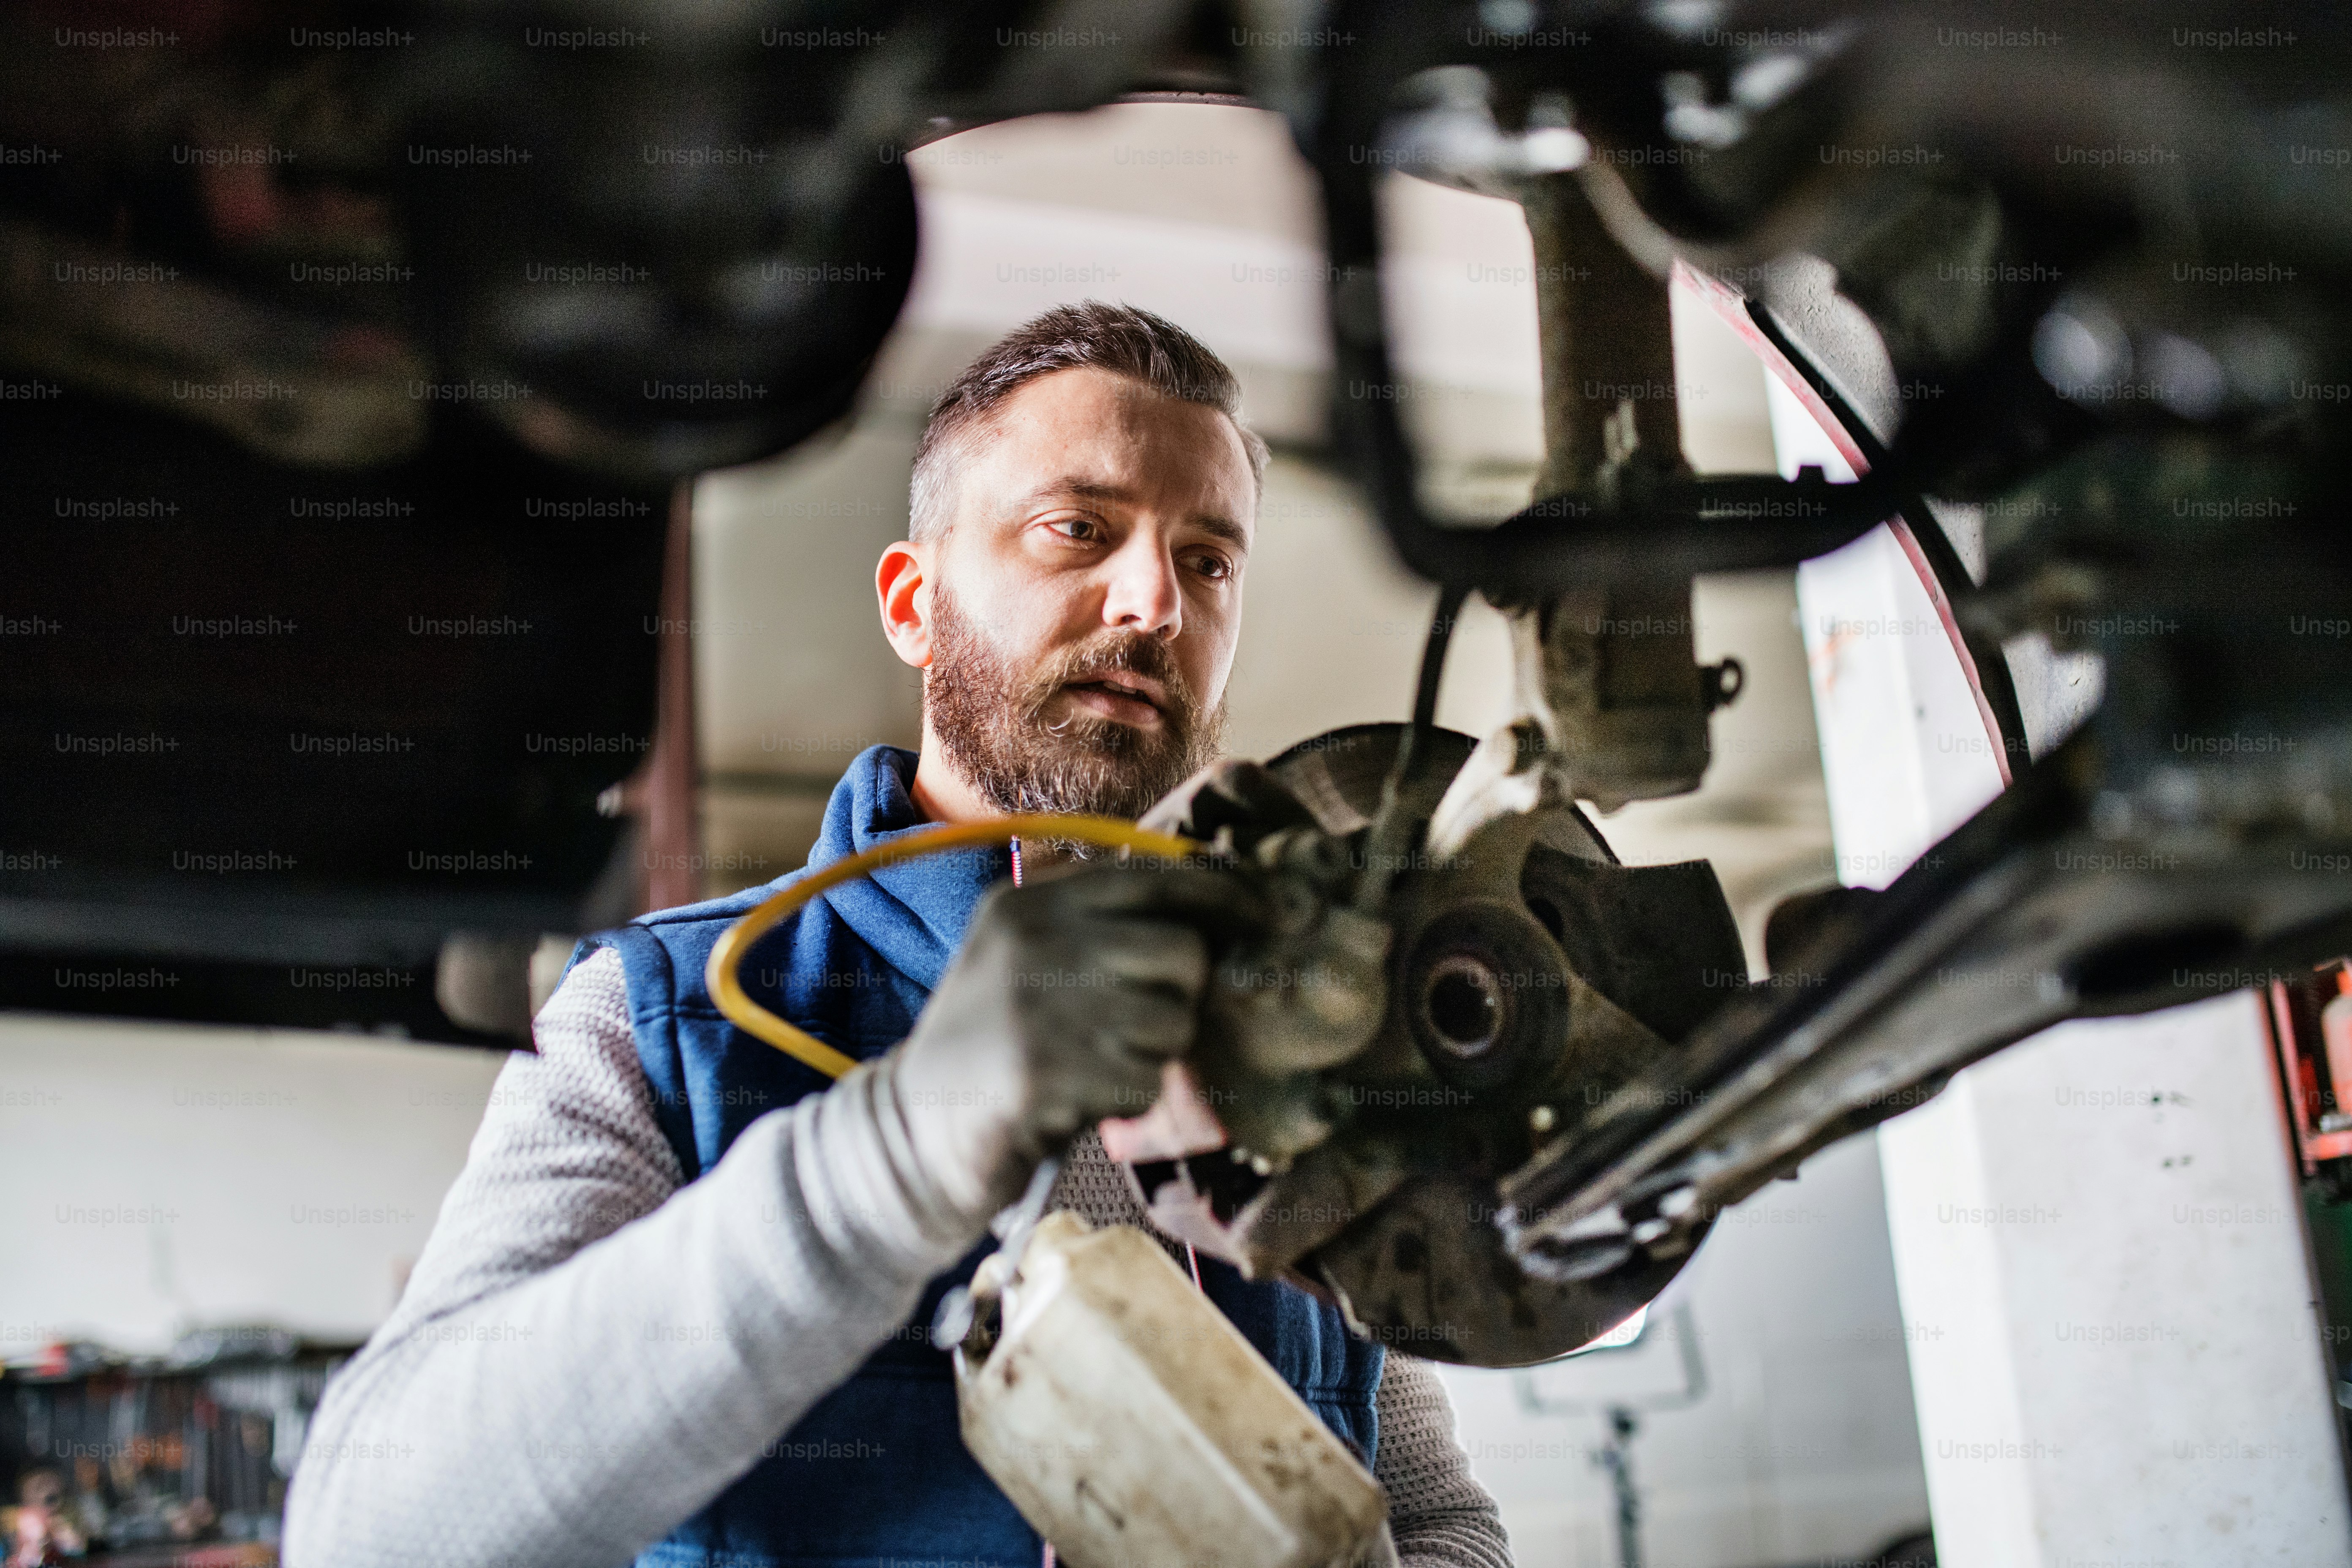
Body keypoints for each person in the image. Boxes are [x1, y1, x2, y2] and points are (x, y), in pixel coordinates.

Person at [284, 302, 1512, 1568]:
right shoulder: (664, 1014)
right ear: (912, 603)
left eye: (1208, 561)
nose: (1152, 600)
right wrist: (898, 1147)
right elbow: (371, 1531)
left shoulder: (1312, 1057)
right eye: (1076, 529)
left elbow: (1437, 1515)